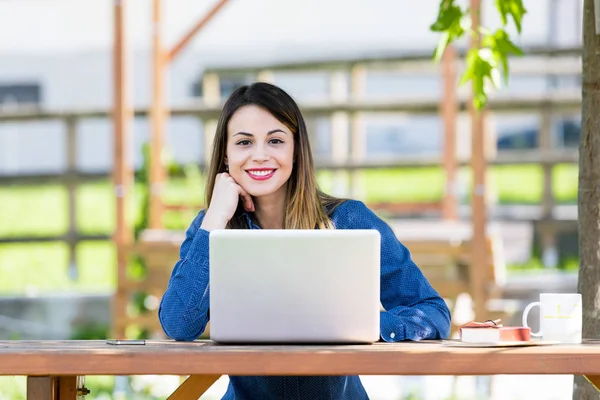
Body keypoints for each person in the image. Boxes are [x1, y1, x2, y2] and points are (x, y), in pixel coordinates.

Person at [158, 82, 451, 399]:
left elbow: (432, 312)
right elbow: (179, 324)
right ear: (226, 157)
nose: (260, 155)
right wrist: (215, 219)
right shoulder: (210, 229)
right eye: (244, 142)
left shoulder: (347, 221)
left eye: (275, 140)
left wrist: (368, 329)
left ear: (296, 150)